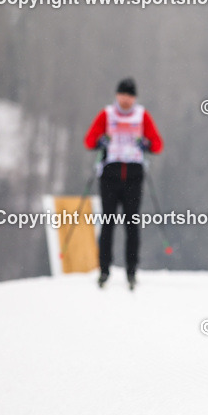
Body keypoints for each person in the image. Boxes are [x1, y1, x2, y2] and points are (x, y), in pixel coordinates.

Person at [83, 78, 164, 289]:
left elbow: (157, 144)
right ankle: (104, 270)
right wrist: (101, 141)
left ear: (134, 98)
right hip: (110, 175)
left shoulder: (142, 116)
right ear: (117, 95)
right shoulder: (107, 115)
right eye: (123, 95)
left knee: (132, 224)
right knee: (108, 223)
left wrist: (146, 143)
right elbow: (89, 140)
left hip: (133, 177)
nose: (126, 100)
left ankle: (131, 271)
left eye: (130, 96)